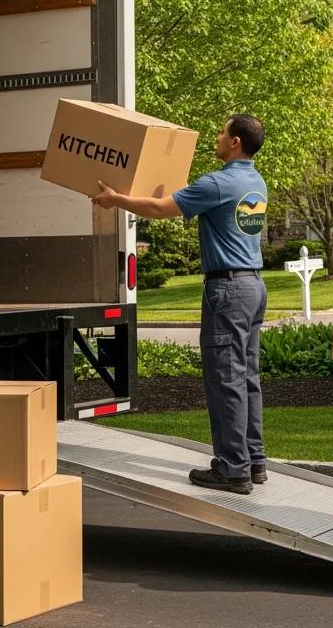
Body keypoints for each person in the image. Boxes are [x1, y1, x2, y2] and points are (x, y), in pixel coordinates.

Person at [92, 114, 268, 496]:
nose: (218, 137)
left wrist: (116, 199)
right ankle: (253, 461)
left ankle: (232, 468)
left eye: (222, 132)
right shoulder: (255, 181)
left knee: (225, 380)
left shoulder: (218, 183)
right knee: (246, 377)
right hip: (254, 287)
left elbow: (159, 208)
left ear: (235, 142)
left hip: (228, 291)